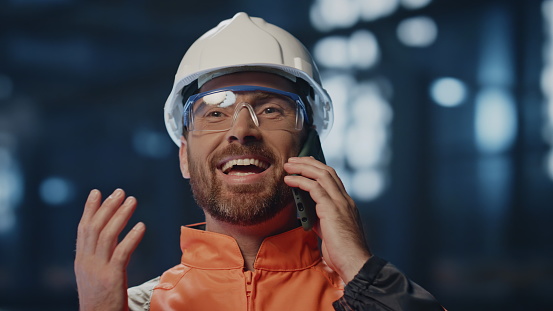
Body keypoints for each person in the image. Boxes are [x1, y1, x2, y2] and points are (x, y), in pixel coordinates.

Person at [74, 12, 444, 311]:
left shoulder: (366, 296)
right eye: (215, 114)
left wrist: (362, 273)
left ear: (309, 147)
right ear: (185, 158)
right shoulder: (135, 308)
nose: (242, 130)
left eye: (270, 109)